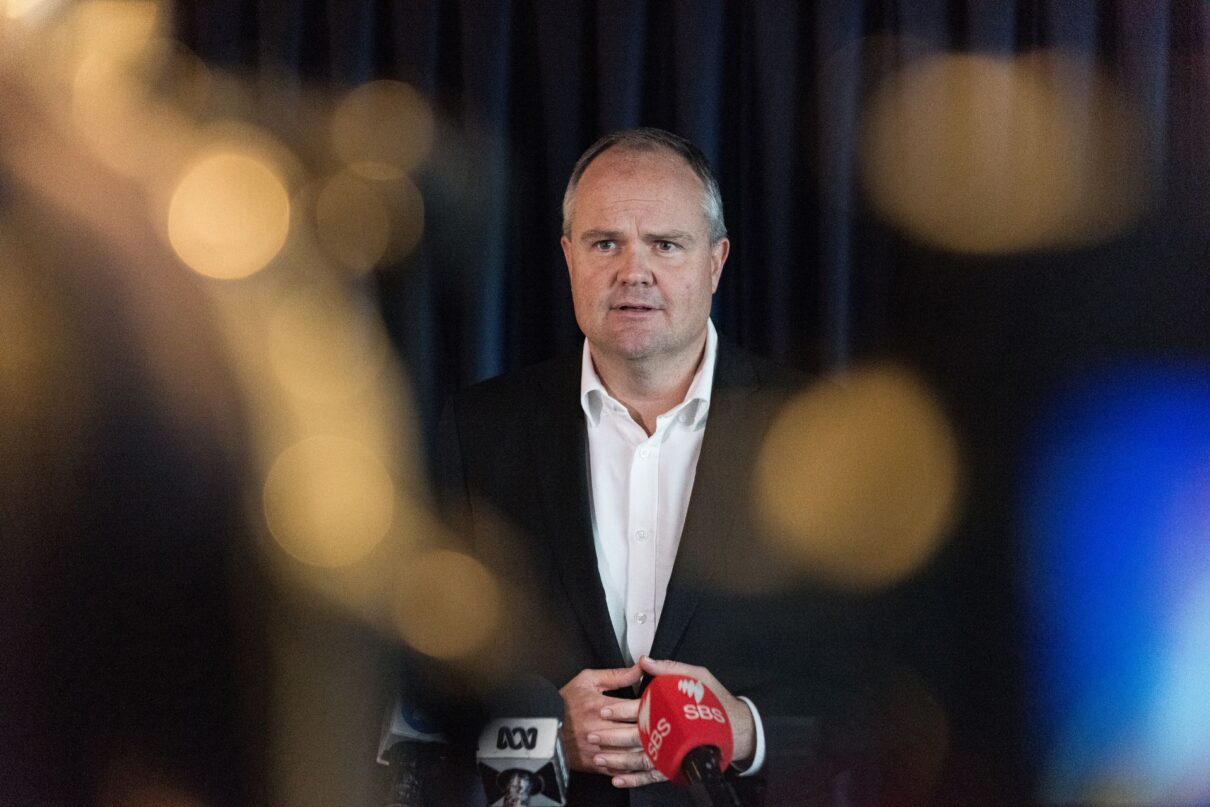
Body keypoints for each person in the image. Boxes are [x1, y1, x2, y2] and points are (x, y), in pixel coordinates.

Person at [436, 128, 879, 805]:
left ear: (716, 262)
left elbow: (882, 691)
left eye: (665, 245)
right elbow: (418, 690)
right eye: (605, 242)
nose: (632, 271)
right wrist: (537, 734)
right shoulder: (478, 430)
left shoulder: (817, 435)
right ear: (568, 258)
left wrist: (747, 731)